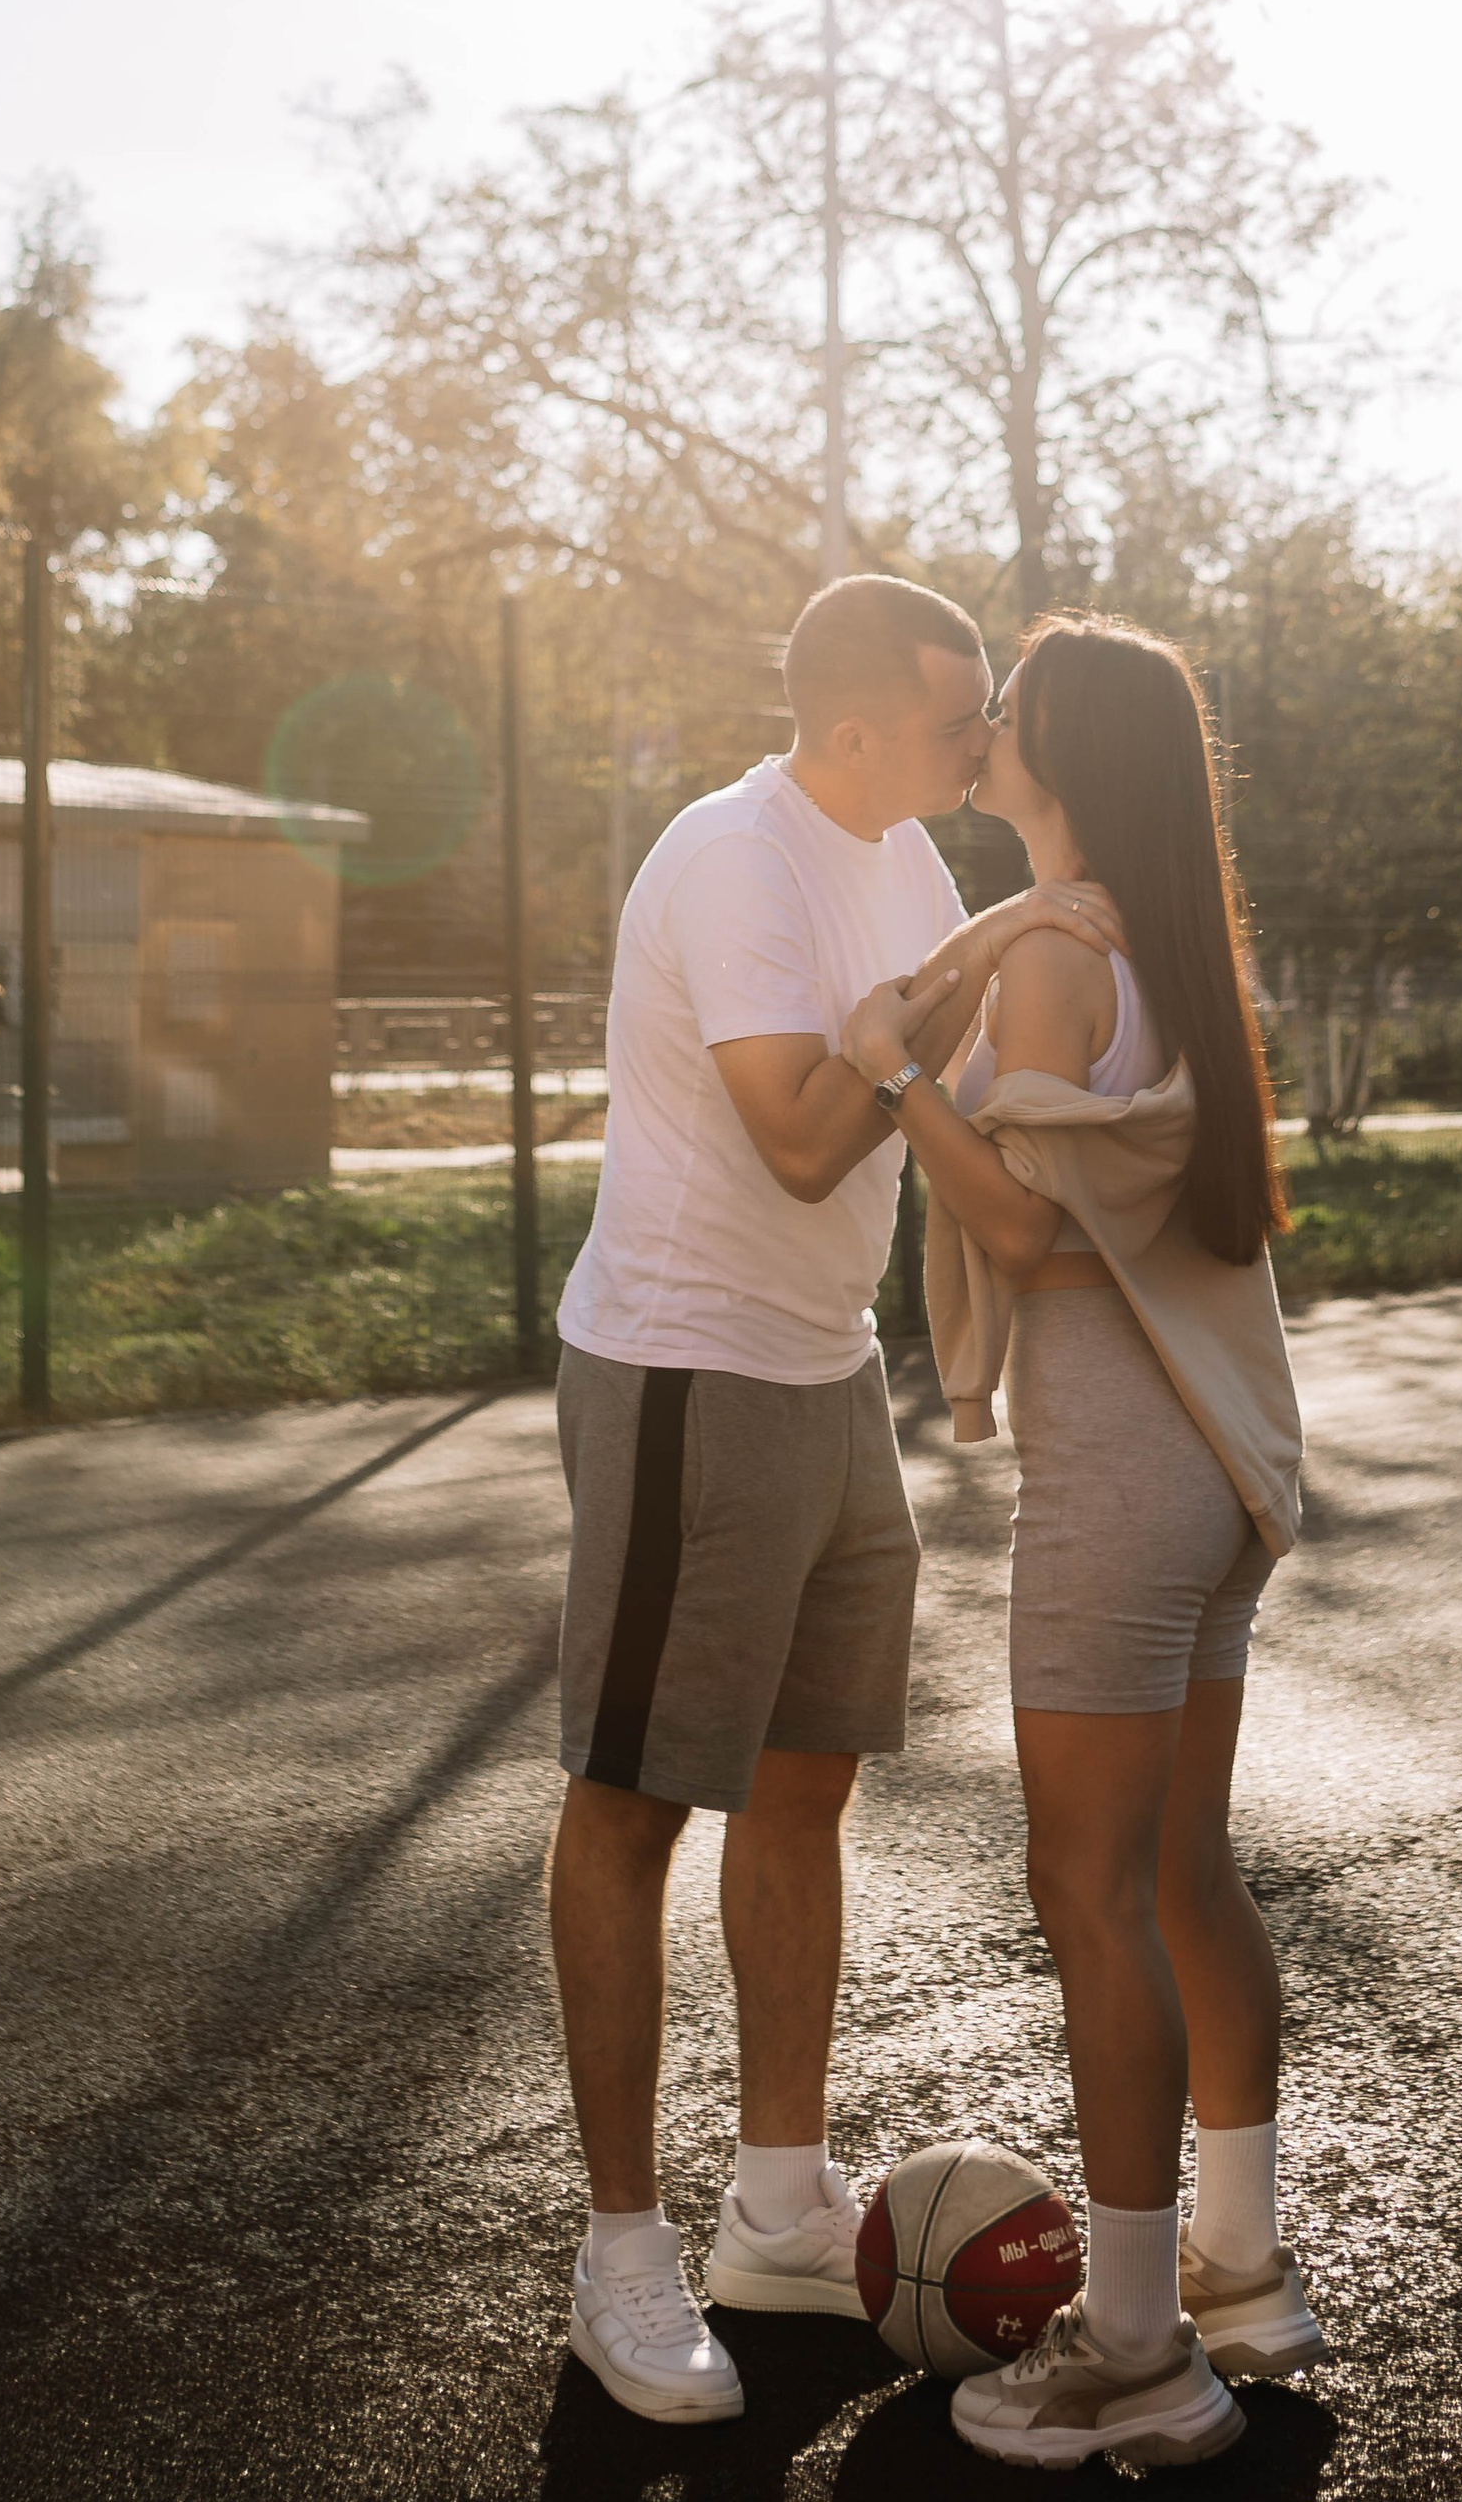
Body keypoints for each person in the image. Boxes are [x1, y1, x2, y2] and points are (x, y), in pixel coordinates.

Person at [546, 572, 1122, 2426]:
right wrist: (977, 960)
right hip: (686, 1365)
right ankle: (619, 2258)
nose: (985, 745)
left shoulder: (910, 859)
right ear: (859, 728)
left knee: (804, 1786)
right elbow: (808, 1133)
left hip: (824, 1372)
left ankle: (774, 2212)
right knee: (634, 1799)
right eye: (962, 721)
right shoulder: (737, 860)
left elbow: (938, 1087)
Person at [844, 612, 1317, 2475]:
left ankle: (1137, 2354)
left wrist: (894, 1081)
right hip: (1214, 1473)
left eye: (1011, 712)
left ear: (1067, 752)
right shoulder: (1154, 939)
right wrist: (961, 973)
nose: (983, 731)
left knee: (1090, 1896)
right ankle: (1241, 2272)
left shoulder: (1056, 961)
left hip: (1119, 1484)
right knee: (1186, 1873)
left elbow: (1025, 1232)